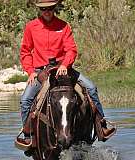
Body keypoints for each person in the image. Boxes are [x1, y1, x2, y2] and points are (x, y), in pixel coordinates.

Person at [20, 0, 115, 144]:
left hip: (64, 69)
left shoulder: (63, 26)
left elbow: (71, 49)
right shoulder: (31, 27)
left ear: (54, 8)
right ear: (39, 10)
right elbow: (25, 51)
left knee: (91, 88)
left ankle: (101, 126)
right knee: (25, 99)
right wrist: (30, 71)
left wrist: (65, 64)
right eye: (44, 9)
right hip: (41, 72)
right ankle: (28, 135)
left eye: (50, 8)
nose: (47, 11)